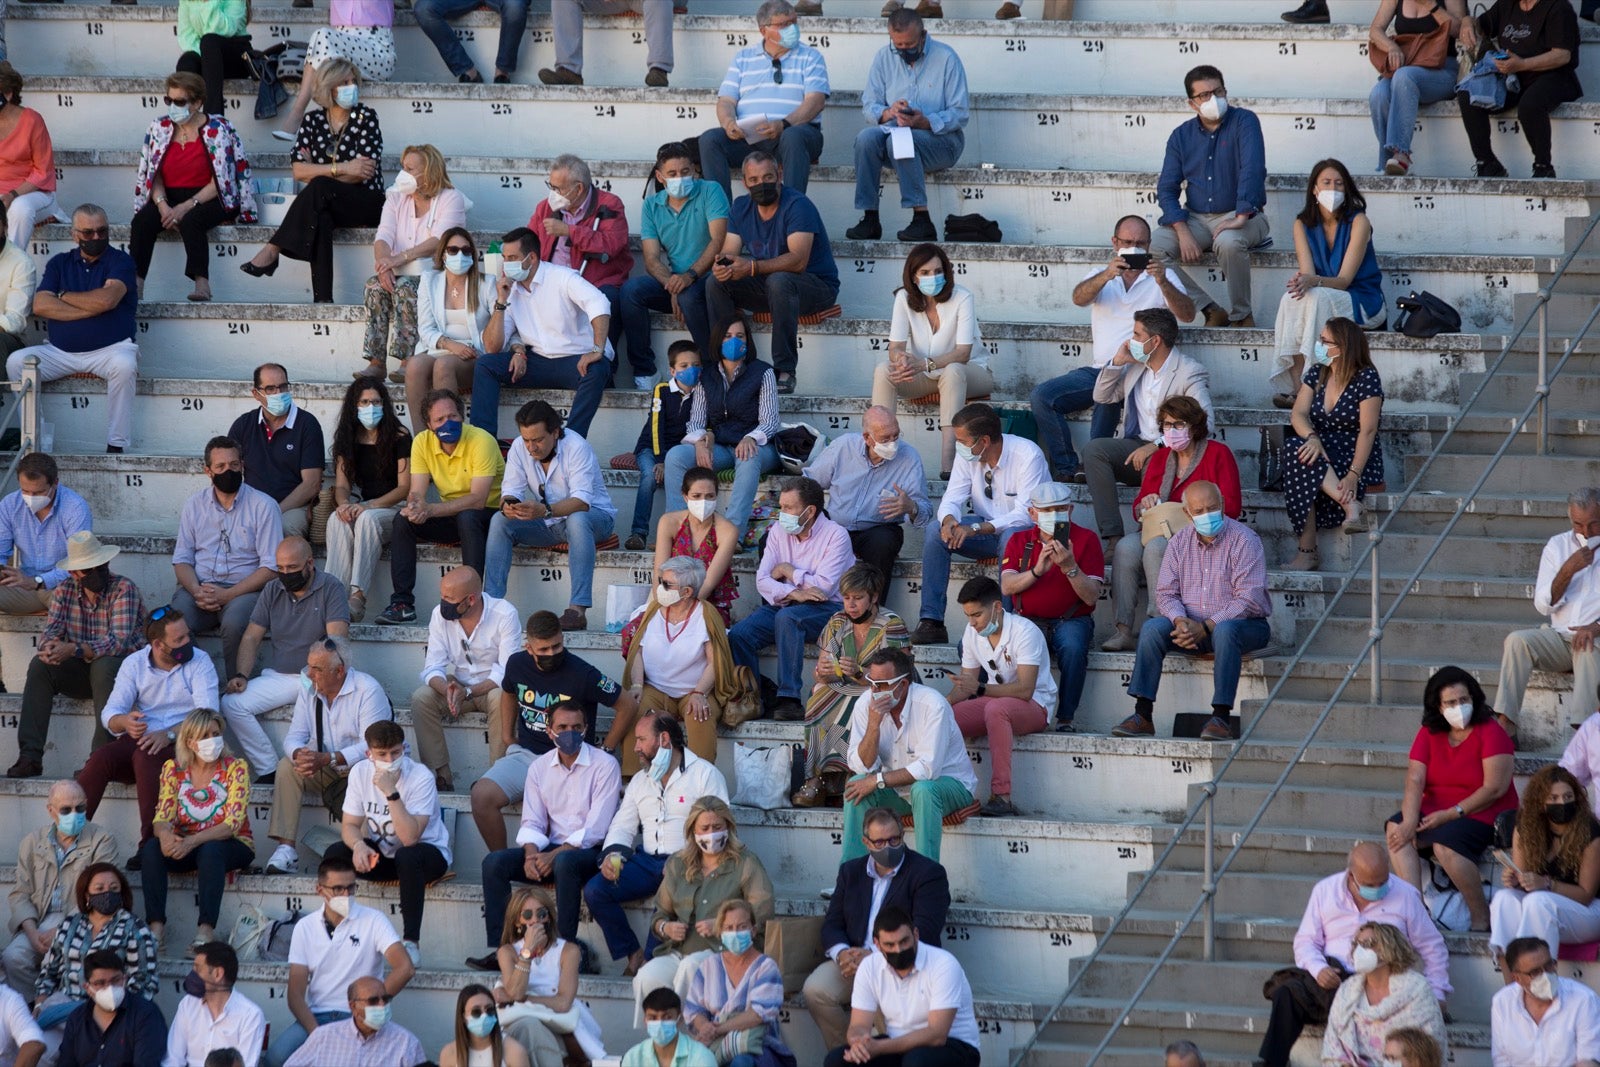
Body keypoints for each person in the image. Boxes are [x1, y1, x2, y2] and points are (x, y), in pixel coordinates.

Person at [1255, 842, 1449, 1067]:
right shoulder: (1325, 891)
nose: (1377, 888)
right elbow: (1305, 941)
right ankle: (1271, 1063)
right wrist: (1319, 970)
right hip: (1334, 980)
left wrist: (1438, 992)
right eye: (1369, 884)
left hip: (1385, 982)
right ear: (1351, 875)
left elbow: (1432, 946)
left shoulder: (1405, 895)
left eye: (1382, 882)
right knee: (1287, 992)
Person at [1033, 215, 1194, 484]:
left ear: (1149, 245)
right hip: (1101, 368)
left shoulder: (1162, 276)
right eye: (1128, 242)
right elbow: (1078, 298)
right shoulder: (1101, 273)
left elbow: (1188, 314)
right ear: (1115, 243)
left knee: (1109, 388)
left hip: (1143, 372)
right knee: (1042, 396)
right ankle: (1067, 466)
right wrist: (1108, 275)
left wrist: (1162, 282)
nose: (1134, 248)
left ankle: (1094, 462)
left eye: (1141, 243)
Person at [1112, 480, 1271, 742]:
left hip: (1246, 626)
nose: (1207, 515)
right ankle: (1143, 715)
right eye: (1199, 511)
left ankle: (1220, 717)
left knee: (1226, 629)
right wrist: (1180, 620)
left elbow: (1248, 599)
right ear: (1187, 514)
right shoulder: (1178, 543)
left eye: (1213, 508)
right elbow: (1165, 593)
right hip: (1192, 626)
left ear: (1222, 506)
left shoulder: (1245, 540)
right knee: (1152, 628)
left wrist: (1207, 625)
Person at [470, 611, 634, 854]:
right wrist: (507, 735)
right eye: (543, 649)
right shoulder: (516, 664)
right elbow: (508, 691)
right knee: (481, 796)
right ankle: (504, 861)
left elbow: (628, 704)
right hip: (527, 756)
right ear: (529, 648)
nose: (551, 654)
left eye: (556, 646)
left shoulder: (582, 673)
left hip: (572, 762)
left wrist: (607, 748)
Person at [477, 701, 620, 971]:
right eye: (562, 727)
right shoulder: (539, 768)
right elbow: (533, 821)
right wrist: (532, 854)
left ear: (586, 728)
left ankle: (564, 950)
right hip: (552, 849)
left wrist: (554, 855)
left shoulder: (605, 765)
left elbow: (596, 830)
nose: (570, 733)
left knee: (566, 863)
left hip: (590, 853)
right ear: (549, 730)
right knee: (494, 863)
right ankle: (503, 950)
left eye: (577, 727)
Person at [587, 711, 730, 975]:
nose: (635, 747)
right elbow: (622, 825)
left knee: (672, 884)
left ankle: (651, 964)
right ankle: (633, 955)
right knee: (596, 889)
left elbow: (720, 831)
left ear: (664, 739)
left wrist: (685, 858)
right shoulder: (641, 780)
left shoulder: (704, 775)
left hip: (689, 863)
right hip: (646, 861)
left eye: (641, 739)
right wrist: (611, 855)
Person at [1386, 665, 1518, 933]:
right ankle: (1415, 911)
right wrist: (1410, 820)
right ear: (1438, 706)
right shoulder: (1429, 732)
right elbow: (1414, 779)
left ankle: (1480, 916)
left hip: (1484, 812)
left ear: (1474, 699)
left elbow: (1495, 787)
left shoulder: (1492, 732)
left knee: (1444, 847)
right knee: (1397, 830)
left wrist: (1451, 814)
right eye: (1451, 702)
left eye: (1464, 700)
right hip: (1436, 808)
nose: (1459, 707)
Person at [805, 808, 950, 1051]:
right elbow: (832, 923)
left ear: (903, 834)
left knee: (887, 997)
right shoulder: (851, 872)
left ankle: (888, 1055)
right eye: (880, 841)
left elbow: (926, 929)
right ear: (865, 842)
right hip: (853, 960)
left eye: (894, 839)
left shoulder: (927, 873)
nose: (888, 847)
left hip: (897, 961)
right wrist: (842, 954)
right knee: (815, 990)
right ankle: (853, 1053)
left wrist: (875, 955)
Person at [242, 58, 384, 303]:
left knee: (319, 185)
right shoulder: (312, 121)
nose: (352, 86)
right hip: (329, 203)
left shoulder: (366, 117)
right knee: (322, 217)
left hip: (366, 200)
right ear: (328, 87)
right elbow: (298, 171)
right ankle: (323, 300)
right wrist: (343, 167)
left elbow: (362, 173)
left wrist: (318, 169)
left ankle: (273, 249)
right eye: (344, 82)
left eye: (353, 81)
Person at [1102, 397, 1237, 654]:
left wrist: (1191, 514)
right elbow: (1137, 508)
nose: (1171, 430)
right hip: (1156, 527)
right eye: (1166, 425)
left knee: (1155, 548)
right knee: (1126, 548)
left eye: (1178, 424)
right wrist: (1146, 503)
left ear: (1195, 426)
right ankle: (1123, 630)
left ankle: (1160, 625)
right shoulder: (1160, 458)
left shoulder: (1218, 453)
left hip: (1198, 533)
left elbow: (1231, 505)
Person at [79, 610, 221, 848]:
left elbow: (207, 714)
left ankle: (151, 844)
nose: (187, 643)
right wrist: (125, 722)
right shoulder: (134, 663)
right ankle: (70, 834)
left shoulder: (200, 661)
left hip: (186, 741)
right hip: (142, 738)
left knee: (147, 755)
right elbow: (110, 713)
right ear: (158, 644)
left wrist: (169, 735)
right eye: (179, 640)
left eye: (187, 635)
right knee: (101, 757)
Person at [912, 401, 1049, 645]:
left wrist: (975, 528)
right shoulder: (969, 456)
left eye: (963, 442)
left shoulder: (1028, 455)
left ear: (984, 441)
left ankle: (1005, 621)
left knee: (1010, 536)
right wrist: (949, 521)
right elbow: (952, 497)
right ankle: (931, 620)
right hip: (986, 529)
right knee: (935, 531)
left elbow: (1025, 515)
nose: (959, 447)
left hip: (1026, 536)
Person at [10, 531, 142, 780]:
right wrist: (50, 649)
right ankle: (30, 756)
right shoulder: (63, 592)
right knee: (40, 666)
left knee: (105, 664)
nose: (97, 573)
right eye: (88, 569)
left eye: (101, 566)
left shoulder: (124, 588)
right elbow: (51, 632)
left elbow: (119, 642)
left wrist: (73, 649)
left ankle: (101, 758)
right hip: (86, 671)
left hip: (121, 674)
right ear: (74, 573)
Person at [706, 152, 839, 395]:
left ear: (779, 175)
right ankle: (734, 364)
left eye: (767, 176)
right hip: (772, 286)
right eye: (754, 179)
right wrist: (722, 265)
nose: (761, 184)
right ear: (745, 182)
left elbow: (798, 260)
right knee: (716, 283)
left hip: (816, 286)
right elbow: (729, 251)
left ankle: (785, 369)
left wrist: (752, 267)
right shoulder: (740, 206)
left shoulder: (798, 205)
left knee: (780, 280)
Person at [263, 855, 415, 1067]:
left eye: (351, 888)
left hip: (358, 1016)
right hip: (316, 1017)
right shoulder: (305, 927)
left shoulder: (374, 920)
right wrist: (316, 1034)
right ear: (320, 890)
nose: (346, 895)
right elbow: (295, 993)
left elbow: (405, 968)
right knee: (274, 1059)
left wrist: (373, 1005)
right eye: (338, 889)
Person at [1082, 307, 1215, 546]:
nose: (1130, 341)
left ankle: (1146, 534)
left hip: (1172, 453)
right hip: (1134, 446)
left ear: (1155, 341)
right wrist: (1116, 362)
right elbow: (1102, 396)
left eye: (1136, 335)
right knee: (1094, 450)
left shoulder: (1189, 372)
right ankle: (1113, 537)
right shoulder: (1136, 368)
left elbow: (1206, 422)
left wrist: (1155, 446)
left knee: (1155, 461)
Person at [9, 204, 137, 454]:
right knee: (16, 362)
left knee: (125, 365)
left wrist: (63, 295)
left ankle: (116, 444)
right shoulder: (59, 263)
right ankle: (37, 441)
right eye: (88, 233)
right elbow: (40, 304)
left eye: (102, 231)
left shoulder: (121, 260)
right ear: (75, 235)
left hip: (110, 350)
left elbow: (107, 300)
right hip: (60, 352)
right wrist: (93, 308)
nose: (96, 237)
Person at [1149, 65, 1269, 329]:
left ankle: (1242, 314)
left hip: (1244, 214)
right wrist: (1181, 229)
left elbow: (1253, 169)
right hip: (1195, 218)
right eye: (1203, 95)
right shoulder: (1181, 136)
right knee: (1154, 248)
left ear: (1225, 91)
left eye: (1217, 91)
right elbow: (1167, 187)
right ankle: (1210, 309)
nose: (1212, 99)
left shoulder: (1245, 121)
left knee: (1228, 242)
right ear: (1192, 103)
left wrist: (1240, 217)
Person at [324, 719, 451, 966]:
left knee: (407, 855)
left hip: (427, 856)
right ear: (368, 754)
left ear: (404, 748)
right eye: (382, 754)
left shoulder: (421, 777)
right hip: (383, 855)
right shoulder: (360, 772)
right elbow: (349, 825)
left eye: (395, 752)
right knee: (336, 853)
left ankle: (411, 943)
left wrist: (391, 793)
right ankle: (338, 927)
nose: (390, 760)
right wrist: (359, 845)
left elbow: (410, 838)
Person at [634, 798, 775, 1019]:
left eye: (717, 827)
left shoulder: (746, 863)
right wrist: (665, 927)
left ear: (728, 827)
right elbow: (660, 913)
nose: (712, 833)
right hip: (678, 950)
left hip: (723, 952)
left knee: (691, 968)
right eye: (705, 828)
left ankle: (688, 1037)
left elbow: (762, 911)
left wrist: (722, 926)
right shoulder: (677, 864)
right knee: (647, 976)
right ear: (693, 831)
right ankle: (660, 1040)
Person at [221, 537, 349, 779]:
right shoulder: (272, 589)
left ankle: (327, 771)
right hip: (279, 676)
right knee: (231, 703)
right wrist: (242, 675)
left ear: (310, 563)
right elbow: (250, 637)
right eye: (280, 568)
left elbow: (336, 641)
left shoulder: (332, 587)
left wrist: (316, 674)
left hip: (315, 675)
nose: (285, 573)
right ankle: (268, 769)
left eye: (292, 568)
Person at [470, 225, 614, 440]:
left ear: (532, 258)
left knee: (598, 368)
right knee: (486, 365)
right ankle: (483, 443)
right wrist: (500, 302)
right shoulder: (510, 290)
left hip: (576, 361)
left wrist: (597, 348)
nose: (507, 264)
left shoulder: (562, 277)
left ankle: (571, 441)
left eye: (512, 258)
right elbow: (492, 347)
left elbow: (599, 302)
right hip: (538, 361)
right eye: (505, 258)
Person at [485, 399, 618, 632]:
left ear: (555, 432)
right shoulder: (518, 447)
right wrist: (508, 506)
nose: (531, 447)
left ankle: (577, 610)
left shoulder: (577, 446)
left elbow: (582, 503)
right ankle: (492, 604)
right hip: (550, 522)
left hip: (595, 519)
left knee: (577, 519)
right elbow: (509, 492)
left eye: (537, 440)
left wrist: (544, 510)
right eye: (526, 440)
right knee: (499, 520)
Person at [374, 389, 503, 626]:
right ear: (429, 424)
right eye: (440, 419)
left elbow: (478, 500)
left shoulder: (482, 440)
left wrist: (430, 510)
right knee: (403, 520)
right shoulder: (422, 442)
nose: (448, 423)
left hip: (490, 517)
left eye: (453, 416)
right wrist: (415, 507)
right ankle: (402, 604)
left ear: (462, 417)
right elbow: (417, 491)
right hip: (453, 513)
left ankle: (472, 599)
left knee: (468, 516)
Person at [263, 635, 390, 876]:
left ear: (339, 671)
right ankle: (286, 849)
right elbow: (293, 737)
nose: (309, 674)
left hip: (364, 771)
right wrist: (300, 754)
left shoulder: (368, 690)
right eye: (308, 666)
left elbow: (374, 747)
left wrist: (329, 758)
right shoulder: (309, 690)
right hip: (329, 768)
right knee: (287, 766)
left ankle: (365, 851)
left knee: (369, 770)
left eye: (317, 669)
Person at [730, 476, 854, 721]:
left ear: (810, 511)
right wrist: (794, 591)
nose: (781, 514)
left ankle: (789, 699)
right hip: (788, 602)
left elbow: (824, 588)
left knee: (789, 618)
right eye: (781, 507)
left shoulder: (836, 535)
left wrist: (787, 571)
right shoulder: (778, 531)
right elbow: (762, 580)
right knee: (738, 635)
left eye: (788, 508)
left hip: (828, 610)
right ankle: (756, 697)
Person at [842, 648, 979, 864]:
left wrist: (877, 780)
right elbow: (862, 766)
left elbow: (927, 770)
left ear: (903, 684)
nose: (876, 691)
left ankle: (925, 876)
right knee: (856, 785)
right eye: (872, 683)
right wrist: (873, 727)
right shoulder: (865, 704)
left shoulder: (933, 704)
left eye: (883, 685)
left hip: (950, 787)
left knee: (923, 789)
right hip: (898, 791)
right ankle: (851, 878)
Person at [129, 70, 253, 304]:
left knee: (192, 220)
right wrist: (163, 206)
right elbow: (152, 173)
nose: (172, 106)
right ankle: (136, 285)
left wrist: (185, 206)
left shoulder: (218, 128)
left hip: (211, 196)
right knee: (143, 221)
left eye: (180, 101)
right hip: (168, 195)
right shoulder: (159, 127)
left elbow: (221, 179)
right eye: (169, 100)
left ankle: (202, 284)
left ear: (197, 103)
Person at [138, 710, 254, 958]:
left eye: (216, 733)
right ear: (189, 741)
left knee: (211, 850)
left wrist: (190, 842)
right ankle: (156, 930)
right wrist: (166, 836)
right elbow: (162, 816)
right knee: (150, 848)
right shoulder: (173, 769)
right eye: (204, 735)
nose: (212, 740)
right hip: (188, 845)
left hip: (231, 844)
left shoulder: (236, 768)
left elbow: (232, 823)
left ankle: (205, 932)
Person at [794, 563, 911, 806]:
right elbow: (821, 671)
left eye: (858, 598)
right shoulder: (838, 622)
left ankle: (835, 777)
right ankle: (817, 777)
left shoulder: (891, 624)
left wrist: (861, 673)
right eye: (846, 598)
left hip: (886, 690)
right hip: (848, 688)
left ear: (874, 597)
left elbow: (901, 675)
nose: (851, 605)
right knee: (819, 693)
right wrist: (823, 673)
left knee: (854, 699)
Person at [846, 9, 967, 245]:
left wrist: (925, 121)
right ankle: (869, 217)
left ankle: (921, 218)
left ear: (923, 35)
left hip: (943, 142)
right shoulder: (883, 57)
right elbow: (869, 105)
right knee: (865, 139)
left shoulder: (946, 58)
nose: (903, 50)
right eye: (897, 44)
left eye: (909, 44)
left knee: (899, 141)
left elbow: (960, 114)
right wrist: (888, 112)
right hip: (896, 132)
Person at [870, 246, 990, 477]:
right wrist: (901, 358)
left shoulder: (963, 297)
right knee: (884, 369)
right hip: (927, 376)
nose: (932, 277)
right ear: (913, 276)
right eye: (925, 272)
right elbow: (894, 347)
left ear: (946, 272)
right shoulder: (903, 298)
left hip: (970, 373)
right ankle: (880, 446)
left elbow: (963, 353)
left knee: (953, 370)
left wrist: (924, 364)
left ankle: (948, 460)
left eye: (937, 271)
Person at [661, 313, 781, 545]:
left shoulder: (763, 372)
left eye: (740, 336)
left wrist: (751, 438)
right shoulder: (707, 375)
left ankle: (730, 536)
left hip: (759, 447)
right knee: (676, 456)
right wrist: (699, 443)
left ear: (748, 340)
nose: (734, 341)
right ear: (717, 341)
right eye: (727, 336)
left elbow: (770, 422)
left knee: (747, 457)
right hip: (722, 447)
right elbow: (695, 421)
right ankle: (678, 531)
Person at [1271, 163, 1385, 406]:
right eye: (1326, 182)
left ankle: (1313, 385)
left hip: (1362, 301)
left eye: (1339, 183)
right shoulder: (1301, 224)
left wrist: (1313, 281)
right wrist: (1302, 282)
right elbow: (1309, 275)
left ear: (1347, 189)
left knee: (1317, 297)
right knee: (1290, 297)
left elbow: (1344, 281)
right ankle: (1297, 386)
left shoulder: (1359, 222)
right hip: (1322, 296)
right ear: (1314, 189)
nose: (1332, 188)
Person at [1496, 488, 1600, 744]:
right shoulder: (1557, 545)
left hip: (1595, 639)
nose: (1585, 533)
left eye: (1593, 524)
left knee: (1587, 646)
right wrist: (1568, 569)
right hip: (1559, 637)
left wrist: (1596, 626)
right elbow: (1543, 605)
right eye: (1578, 525)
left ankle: (1583, 736)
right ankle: (1506, 726)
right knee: (1517, 641)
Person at [619, 558, 744, 770]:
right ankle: (632, 778)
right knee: (635, 707)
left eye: (667, 584)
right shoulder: (652, 610)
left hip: (694, 690)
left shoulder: (706, 615)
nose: (660, 588)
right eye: (660, 581)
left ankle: (699, 779)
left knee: (699, 713)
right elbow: (637, 653)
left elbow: (716, 663)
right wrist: (637, 685)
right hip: (655, 688)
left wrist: (699, 693)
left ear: (686, 592)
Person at [171, 436, 283, 672]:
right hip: (201, 588)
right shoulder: (194, 505)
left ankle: (236, 684)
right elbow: (182, 559)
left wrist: (228, 594)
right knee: (175, 622)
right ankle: (196, 682)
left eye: (233, 465)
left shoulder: (264, 505)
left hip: (245, 590)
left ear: (242, 465)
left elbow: (271, 568)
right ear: (208, 471)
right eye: (220, 467)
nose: (228, 471)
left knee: (233, 624)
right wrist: (196, 591)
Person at [998, 482, 1103, 732]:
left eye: (1060, 509)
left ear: (1070, 509)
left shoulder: (1086, 539)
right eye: (1046, 510)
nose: (1054, 515)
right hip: (1028, 619)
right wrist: (1036, 571)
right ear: (1032, 513)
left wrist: (1070, 567)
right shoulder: (1019, 540)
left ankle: (1065, 718)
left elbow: (1091, 597)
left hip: (1071, 619)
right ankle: (1004, 708)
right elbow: (1007, 586)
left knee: (1074, 648)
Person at [945, 575, 1053, 817]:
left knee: (996, 709)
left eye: (977, 615)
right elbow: (966, 684)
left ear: (996, 607)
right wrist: (942, 704)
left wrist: (980, 689)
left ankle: (1002, 796)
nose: (972, 623)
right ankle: (954, 792)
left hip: (1035, 706)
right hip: (994, 701)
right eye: (968, 616)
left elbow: (1025, 691)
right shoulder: (972, 631)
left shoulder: (1026, 631)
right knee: (945, 717)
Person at [359, 144, 469, 380]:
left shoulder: (451, 198)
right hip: (397, 270)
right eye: (403, 167)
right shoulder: (396, 197)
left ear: (428, 173)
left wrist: (399, 258)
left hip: (436, 274)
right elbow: (383, 236)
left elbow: (440, 240)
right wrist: (382, 265)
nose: (403, 174)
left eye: (410, 169)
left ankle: (408, 360)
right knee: (374, 286)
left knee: (406, 287)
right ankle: (377, 362)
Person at [700, 1, 829, 200]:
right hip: (750, 138)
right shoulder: (743, 57)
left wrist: (784, 124)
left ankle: (792, 210)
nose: (792, 28)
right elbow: (726, 101)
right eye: (784, 24)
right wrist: (728, 124)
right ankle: (722, 215)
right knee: (710, 140)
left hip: (795, 135)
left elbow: (816, 101)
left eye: (794, 22)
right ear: (764, 31)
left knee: (793, 137)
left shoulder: (811, 56)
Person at [1283, 318, 1386, 570]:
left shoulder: (1366, 377)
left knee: (1303, 462)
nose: (1319, 345)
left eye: (1324, 341)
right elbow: (1297, 414)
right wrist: (1313, 438)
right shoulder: (1318, 373)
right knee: (1297, 449)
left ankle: (1307, 551)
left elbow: (1368, 429)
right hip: (1321, 449)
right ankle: (1349, 504)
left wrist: (1353, 475)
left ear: (1343, 345)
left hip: (1356, 455)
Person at [823, 906, 981, 1067]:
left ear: (916, 935)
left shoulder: (943, 964)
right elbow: (858, 1025)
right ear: (877, 944)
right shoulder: (870, 966)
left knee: (916, 1061)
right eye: (890, 945)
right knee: (837, 1061)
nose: (898, 950)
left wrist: (878, 1047)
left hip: (954, 1046)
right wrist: (859, 1043)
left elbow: (937, 1034)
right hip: (897, 1045)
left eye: (904, 941)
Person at [623, 143, 727, 387]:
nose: (680, 178)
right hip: (677, 281)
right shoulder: (651, 205)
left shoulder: (711, 190)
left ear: (695, 170)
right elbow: (650, 259)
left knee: (689, 298)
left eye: (685, 171)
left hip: (709, 277)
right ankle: (645, 372)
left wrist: (688, 278)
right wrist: (673, 285)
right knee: (630, 292)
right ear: (660, 177)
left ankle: (712, 369)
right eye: (672, 174)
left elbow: (719, 240)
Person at [2, 780, 117, 999]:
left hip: (82, 920)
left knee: (71, 957)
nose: (74, 814)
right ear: (51, 811)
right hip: (39, 920)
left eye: (80, 808)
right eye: (66, 809)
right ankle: (31, 1010)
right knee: (13, 957)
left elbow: (102, 895)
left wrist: (62, 929)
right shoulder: (32, 841)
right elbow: (20, 894)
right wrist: (32, 931)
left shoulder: (102, 840)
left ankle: (57, 1010)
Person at [410, 564, 521, 792]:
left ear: (470, 600)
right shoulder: (438, 615)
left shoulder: (505, 614)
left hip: (490, 687)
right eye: (442, 595)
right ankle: (441, 775)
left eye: (449, 598)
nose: (443, 602)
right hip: (458, 685)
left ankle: (495, 778)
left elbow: (507, 672)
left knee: (502, 696)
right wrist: (448, 689)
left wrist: (468, 692)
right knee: (421, 698)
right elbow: (433, 666)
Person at [1490, 764, 1600, 969]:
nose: (1562, 803)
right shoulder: (1527, 828)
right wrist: (1515, 881)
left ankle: (1541, 973)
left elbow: (1586, 894)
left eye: (1568, 797)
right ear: (1540, 802)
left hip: (1590, 910)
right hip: (1544, 909)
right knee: (1504, 898)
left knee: (1538, 901)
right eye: (1554, 798)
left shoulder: (1590, 830)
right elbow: (1522, 876)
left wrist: (1546, 883)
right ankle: (1513, 987)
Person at [1456, 0, 1582, 178]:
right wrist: (1467, 21)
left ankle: (1543, 166)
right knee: (1467, 93)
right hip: (1513, 77)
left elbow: (1562, 55)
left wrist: (1522, 64)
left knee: (1530, 104)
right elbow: (1481, 25)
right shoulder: (1507, 5)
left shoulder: (1558, 7)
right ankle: (1487, 163)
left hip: (1553, 75)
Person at [808, 407, 931, 588]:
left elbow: (926, 512)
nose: (892, 444)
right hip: (836, 526)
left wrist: (911, 507)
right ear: (867, 438)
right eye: (885, 439)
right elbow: (810, 484)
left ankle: (873, 611)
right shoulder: (844, 446)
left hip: (878, 529)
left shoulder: (909, 457)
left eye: (896, 436)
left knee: (883, 542)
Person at [526, 153, 633, 355]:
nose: (553, 194)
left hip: (597, 283)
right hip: (555, 285)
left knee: (606, 301)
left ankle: (605, 366)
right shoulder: (544, 208)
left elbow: (611, 244)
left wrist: (569, 231)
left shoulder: (610, 204)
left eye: (558, 189)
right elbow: (528, 244)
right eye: (550, 186)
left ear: (579, 188)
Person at [324, 376, 411, 622]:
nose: (371, 407)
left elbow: (404, 488)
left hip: (393, 508)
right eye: (364, 402)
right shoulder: (346, 438)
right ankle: (334, 596)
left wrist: (366, 506)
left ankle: (358, 597)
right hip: (362, 505)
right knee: (336, 520)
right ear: (354, 405)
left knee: (367, 520)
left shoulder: (399, 435)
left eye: (376, 401)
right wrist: (344, 506)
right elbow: (341, 485)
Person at [488, 887, 607, 1065]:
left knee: (533, 1029)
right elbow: (516, 992)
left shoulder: (568, 951)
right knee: (529, 1027)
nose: (535, 920)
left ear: (548, 917)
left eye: (541, 913)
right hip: (521, 1022)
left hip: (560, 1023)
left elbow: (563, 1003)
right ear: (517, 922)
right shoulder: (508, 952)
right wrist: (527, 952)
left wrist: (524, 999)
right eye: (527, 915)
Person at [33, 864, 158, 1029]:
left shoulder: (136, 928)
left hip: (112, 1013)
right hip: (66, 1008)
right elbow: (49, 972)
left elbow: (143, 983)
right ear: (87, 894)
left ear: (121, 893)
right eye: (99, 888)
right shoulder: (70, 925)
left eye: (114, 888)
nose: (107, 893)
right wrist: (39, 1004)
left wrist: (109, 1008)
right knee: (38, 1046)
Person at [682, 900, 796, 1067]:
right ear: (720, 932)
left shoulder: (766, 967)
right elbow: (694, 1010)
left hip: (758, 1048)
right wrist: (705, 1026)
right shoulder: (709, 965)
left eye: (742, 926)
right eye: (729, 928)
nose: (735, 932)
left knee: (741, 1061)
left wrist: (718, 1029)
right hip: (716, 1045)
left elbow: (758, 1014)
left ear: (753, 930)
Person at [1320, 922, 1448, 1066]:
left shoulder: (1416, 989)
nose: (1359, 950)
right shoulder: (1346, 991)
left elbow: (1428, 1050)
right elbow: (1332, 1049)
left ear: (1389, 948)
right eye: (1356, 944)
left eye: (1369, 943)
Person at [227, 363, 326, 540]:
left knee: (282, 527)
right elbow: (228, 471)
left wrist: (272, 511)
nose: (278, 393)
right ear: (256, 394)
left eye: (283, 386)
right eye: (270, 388)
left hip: (293, 507)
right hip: (252, 506)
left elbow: (312, 484)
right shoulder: (243, 425)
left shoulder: (307, 424)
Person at [1368, 0, 1467, 175]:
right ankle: (1387, 163)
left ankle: (1401, 153)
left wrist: (1431, 6)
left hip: (1442, 71)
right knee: (1378, 93)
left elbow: (1460, 31)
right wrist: (1391, 47)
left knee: (1404, 76)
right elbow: (1375, 30)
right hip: (1408, 66)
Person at [405, 227, 489, 431]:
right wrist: (451, 345)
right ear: (443, 254)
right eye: (453, 250)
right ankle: (422, 442)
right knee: (415, 366)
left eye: (466, 250)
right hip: (442, 347)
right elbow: (425, 328)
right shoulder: (429, 280)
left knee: (443, 366)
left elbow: (500, 326)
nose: (460, 255)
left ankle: (450, 436)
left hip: (472, 353)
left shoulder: (487, 283)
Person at [272, 2, 395, 141]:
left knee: (321, 36)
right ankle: (327, 132)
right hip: (339, 46)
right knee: (322, 45)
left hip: (376, 50)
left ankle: (297, 113)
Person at [630, 342, 704, 549]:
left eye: (696, 365)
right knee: (649, 477)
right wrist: (661, 460)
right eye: (683, 365)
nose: (690, 370)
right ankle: (638, 533)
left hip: (679, 451)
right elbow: (655, 427)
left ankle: (681, 535)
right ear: (672, 370)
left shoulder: (702, 393)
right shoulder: (661, 390)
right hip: (650, 447)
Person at [0, 452, 91, 618]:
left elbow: (79, 564)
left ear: (55, 483)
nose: (31, 498)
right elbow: (1, 550)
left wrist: (38, 581)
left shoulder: (75, 507)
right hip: (24, 587)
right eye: (25, 491)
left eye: (39, 492)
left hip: (65, 587)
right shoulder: (9, 504)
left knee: (77, 602)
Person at [1489, 936, 1600, 1066]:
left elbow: (1590, 1060)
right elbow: (1501, 1059)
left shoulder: (1584, 1000)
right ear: (1517, 978)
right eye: (1535, 972)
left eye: (1549, 966)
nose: (1546, 975)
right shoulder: (1502, 1002)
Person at [654, 465, 741, 625]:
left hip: (708, 603)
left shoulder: (727, 530)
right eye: (696, 496)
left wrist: (683, 614)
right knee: (637, 633)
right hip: (668, 599)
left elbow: (708, 582)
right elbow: (659, 573)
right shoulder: (669, 522)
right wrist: (664, 607)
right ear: (685, 496)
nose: (703, 502)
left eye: (710, 496)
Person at [283, 976, 426, 1067]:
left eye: (386, 999)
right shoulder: (324, 1037)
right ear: (353, 1007)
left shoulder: (406, 1043)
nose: (382, 1006)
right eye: (373, 1001)